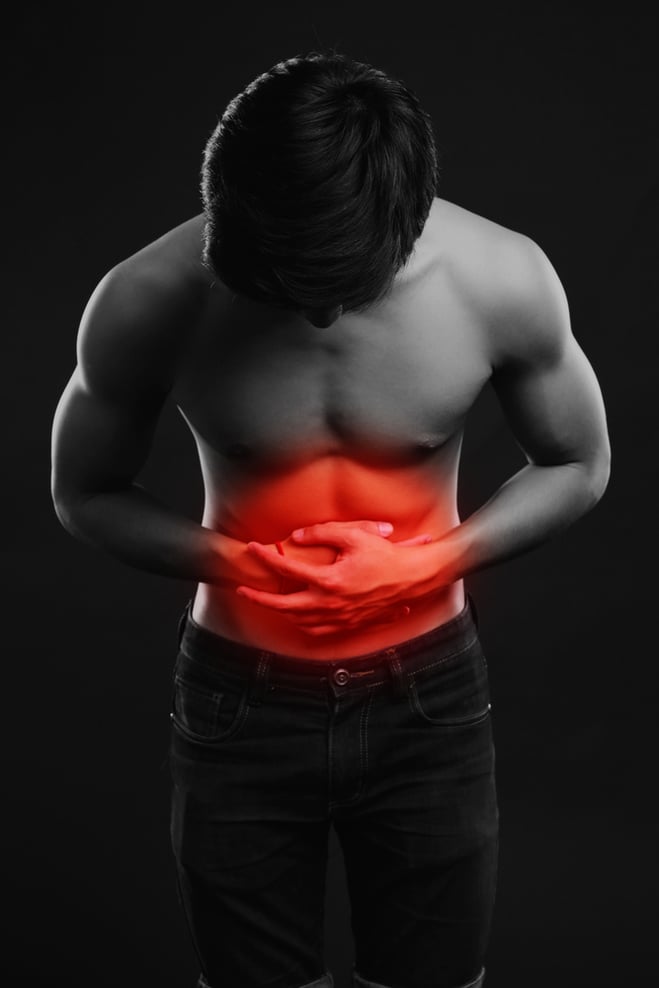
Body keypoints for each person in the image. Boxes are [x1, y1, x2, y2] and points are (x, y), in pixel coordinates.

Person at [50, 49, 610, 988]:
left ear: (404, 223)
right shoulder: (146, 298)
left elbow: (579, 463)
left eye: (343, 289)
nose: (314, 320)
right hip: (241, 701)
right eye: (281, 287)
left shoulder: (501, 278)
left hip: (425, 700)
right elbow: (83, 492)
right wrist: (230, 561)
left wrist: (428, 565)